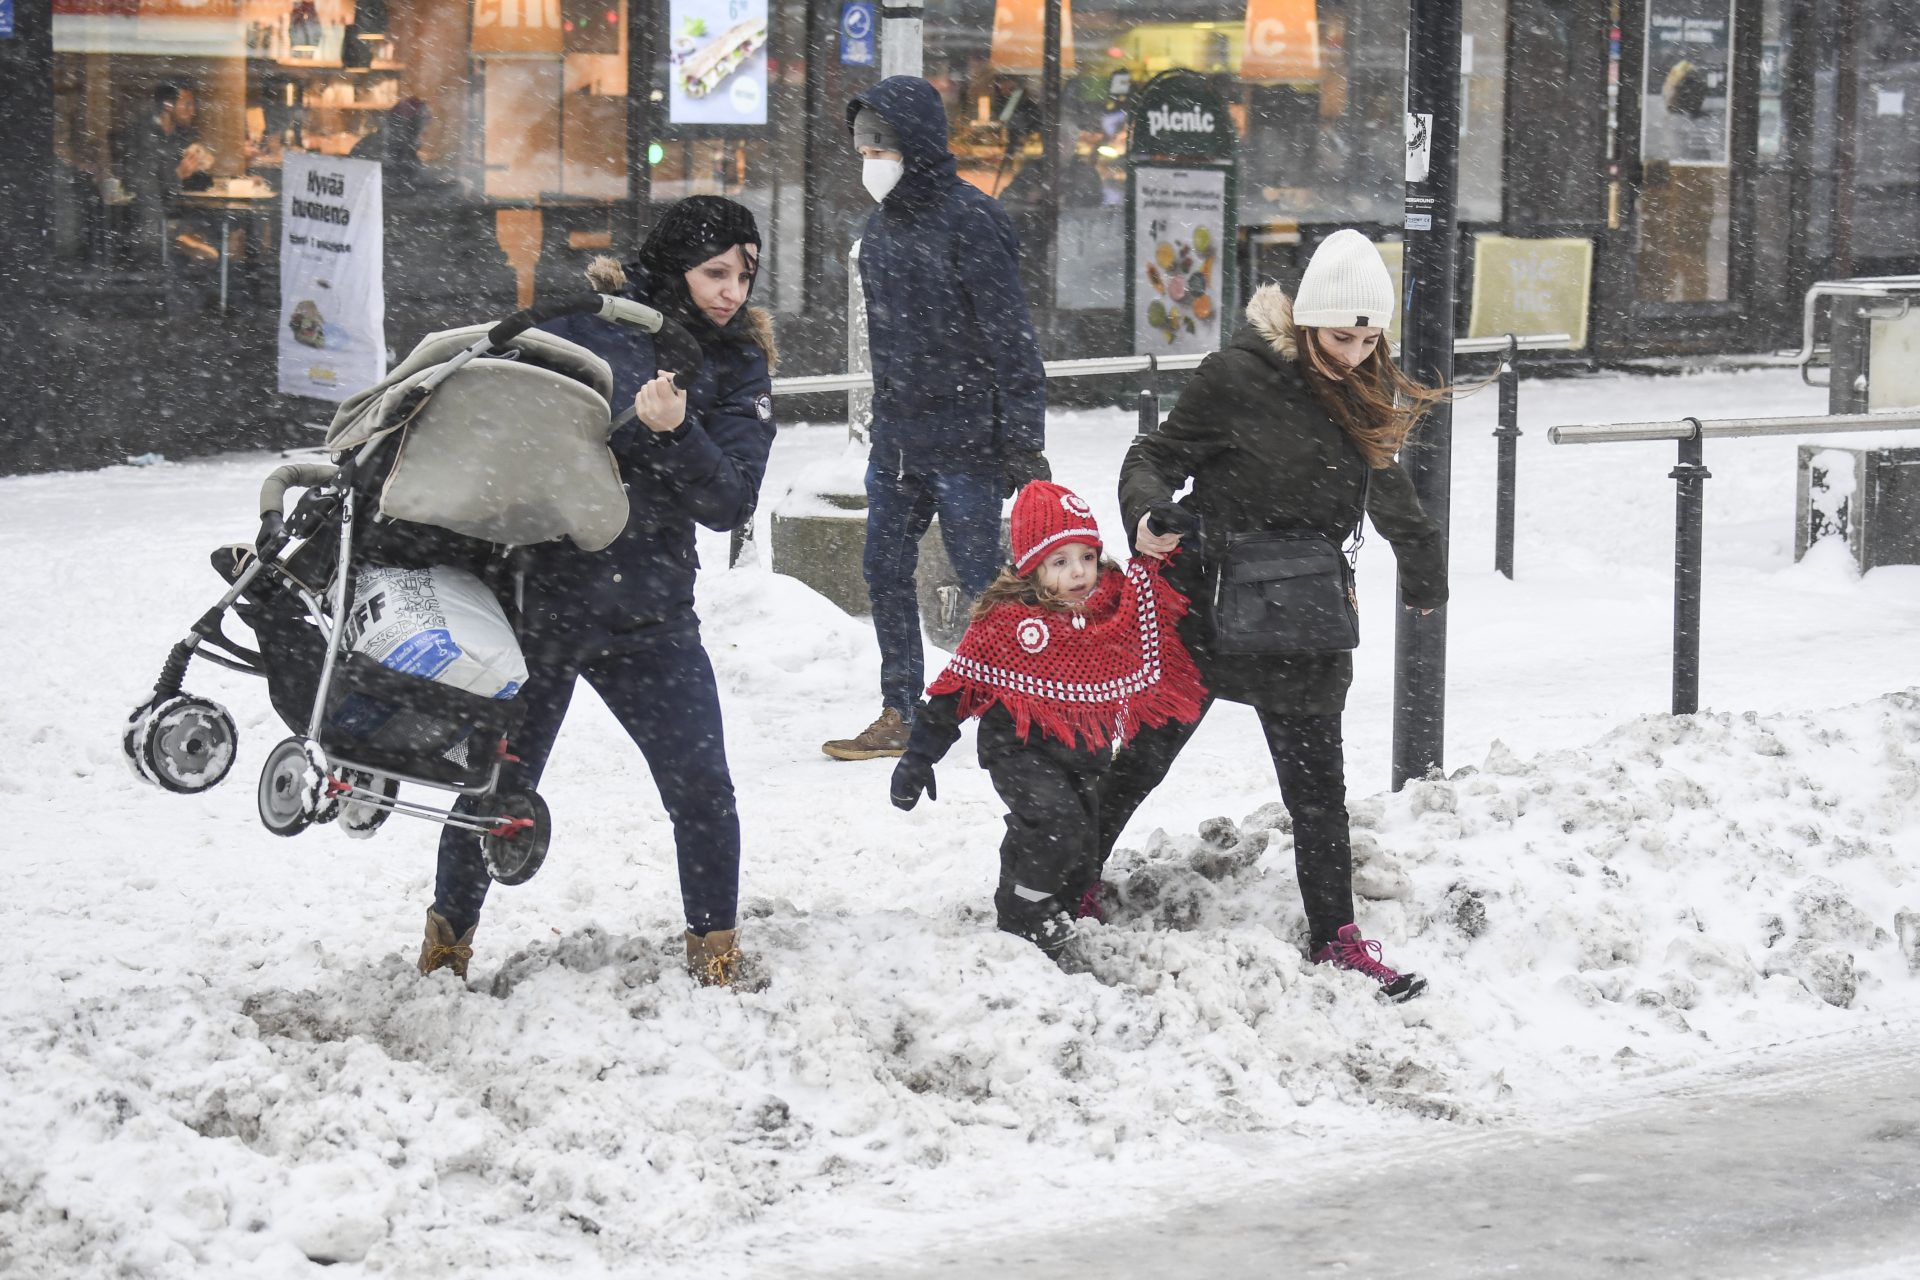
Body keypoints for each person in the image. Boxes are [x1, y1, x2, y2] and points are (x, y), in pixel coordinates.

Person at [419, 196, 777, 988]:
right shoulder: (589, 323)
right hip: (539, 600)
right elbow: (501, 433)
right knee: (497, 790)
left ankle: (714, 957)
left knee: (703, 788)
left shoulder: (737, 364)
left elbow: (729, 505)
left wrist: (677, 433)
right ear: (675, 262)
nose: (732, 292)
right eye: (716, 272)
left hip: (649, 613)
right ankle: (446, 951)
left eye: (745, 276)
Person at [1100, 229, 1450, 1002]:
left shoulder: (1363, 391)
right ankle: (1065, 888)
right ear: (1305, 320)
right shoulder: (1236, 377)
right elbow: (1152, 456)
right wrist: (1149, 514)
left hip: (1306, 619)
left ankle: (1338, 938)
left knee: (1318, 791)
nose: (1355, 352)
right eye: (1340, 335)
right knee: (1143, 762)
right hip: (1209, 606)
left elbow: (1393, 497)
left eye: (1369, 338)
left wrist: (1426, 576)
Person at [820, 75, 1050, 763]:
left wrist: (1022, 442)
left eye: (879, 147)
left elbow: (1012, 339)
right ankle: (901, 706)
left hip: (965, 441)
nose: (869, 164)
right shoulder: (879, 229)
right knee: (883, 570)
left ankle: (1021, 699)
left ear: (912, 144)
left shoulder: (973, 220)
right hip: (898, 441)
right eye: (862, 150)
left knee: (985, 575)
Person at [888, 481, 1207, 959]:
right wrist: (918, 758)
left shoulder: (1115, 605)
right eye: (1060, 562)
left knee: (1080, 853)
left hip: (1083, 750)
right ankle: (1022, 913)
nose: (1079, 572)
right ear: (1031, 570)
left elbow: (1154, 584)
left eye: (1086, 556)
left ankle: (1048, 899)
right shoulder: (1007, 621)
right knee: (1056, 825)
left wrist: (1173, 538)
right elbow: (957, 689)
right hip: (1017, 746)